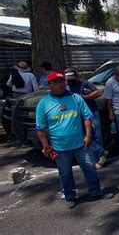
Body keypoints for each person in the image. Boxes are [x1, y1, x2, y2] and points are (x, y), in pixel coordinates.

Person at [35, 72, 113, 209]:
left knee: (90, 168)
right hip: (60, 148)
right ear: (50, 85)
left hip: (81, 144)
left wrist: (88, 136)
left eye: (61, 81)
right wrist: (46, 146)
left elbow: (87, 117)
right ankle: (70, 196)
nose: (60, 84)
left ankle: (96, 192)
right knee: (65, 174)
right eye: (55, 82)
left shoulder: (76, 98)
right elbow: (40, 129)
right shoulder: (43, 104)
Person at [64, 68, 108, 169]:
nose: (70, 81)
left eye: (72, 78)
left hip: (92, 111)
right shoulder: (66, 87)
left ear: (77, 76)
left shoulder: (85, 83)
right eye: (68, 79)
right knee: (84, 136)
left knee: (96, 135)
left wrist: (83, 97)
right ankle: (100, 153)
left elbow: (97, 93)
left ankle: (100, 159)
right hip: (77, 114)